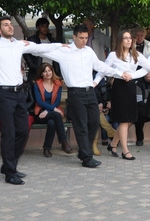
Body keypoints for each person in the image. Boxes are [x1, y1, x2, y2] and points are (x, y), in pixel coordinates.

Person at [0, 16, 64, 185]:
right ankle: (10, 172)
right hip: (3, 93)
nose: (10, 26)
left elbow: (40, 48)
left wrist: (61, 46)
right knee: (9, 133)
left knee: (24, 131)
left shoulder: (19, 44)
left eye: (11, 24)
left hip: (18, 93)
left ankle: (8, 164)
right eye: (6, 25)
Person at [50, 24, 118, 169]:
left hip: (90, 92)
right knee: (81, 126)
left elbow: (100, 66)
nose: (84, 41)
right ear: (74, 37)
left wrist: (119, 73)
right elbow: (41, 50)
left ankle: (83, 152)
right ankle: (87, 158)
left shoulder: (89, 51)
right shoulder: (64, 51)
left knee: (94, 122)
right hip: (75, 93)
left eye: (86, 38)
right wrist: (23, 45)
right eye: (81, 38)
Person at [99, 30, 150, 160]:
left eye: (130, 38)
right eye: (125, 38)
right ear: (120, 40)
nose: (128, 40)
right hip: (119, 87)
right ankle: (125, 151)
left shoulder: (136, 55)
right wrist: (95, 81)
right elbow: (103, 70)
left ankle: (113, 144)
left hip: (131, 86)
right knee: (124, 120)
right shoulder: (113, 55)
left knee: (129, 119)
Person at [32, 63, 72, 158]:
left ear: (52, 71)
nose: (47, 73)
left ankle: (47, 148)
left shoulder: (58, 83)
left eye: (49, 71)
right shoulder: (37, 84)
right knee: (56, 115)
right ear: (41, 74)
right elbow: (39, 102)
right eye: (45, 71)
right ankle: (63, 142)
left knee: (52, 123)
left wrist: (47, 111)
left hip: (50, 113)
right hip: (40, 113)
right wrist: (51, 109)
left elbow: (57, 101)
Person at [24, 17, 62, 82]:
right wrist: (32, 65)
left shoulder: (51, 40)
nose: (45, 28)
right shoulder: (32, 40)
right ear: (38, 27)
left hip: (51, 70)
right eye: (43, 26)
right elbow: (26, 53)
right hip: (37, 71)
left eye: (46, 26)